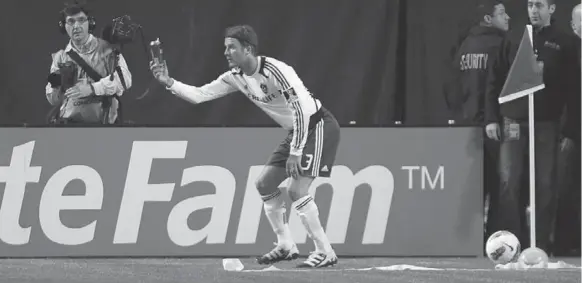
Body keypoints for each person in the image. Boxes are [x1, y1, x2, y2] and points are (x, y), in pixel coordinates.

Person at [150, 25, 340, 268]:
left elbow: (301, 111)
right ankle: (285, 244)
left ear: (248, 49)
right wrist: (168, 82)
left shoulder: (276, 70)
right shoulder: (235, 77)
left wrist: (295, 152)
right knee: (265, 184)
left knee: (296, 190)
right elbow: (199, 95)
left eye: (232, 47)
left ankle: (325, 251)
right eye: (225, 47)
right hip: (296, 131)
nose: (227, 52)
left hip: (318, 125)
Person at [484, 0, 580, 253]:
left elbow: (574, 90)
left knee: (546, 185)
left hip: (547, 123)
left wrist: (570, 129)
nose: (533, 10)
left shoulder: (566, 42)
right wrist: (491, 118)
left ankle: (540, 245)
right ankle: (511, 243)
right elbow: (494, 78)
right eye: (529, 5)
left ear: (551, 9)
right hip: (512, 120)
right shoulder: (515, 37)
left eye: (539, 5)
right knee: (508, 181)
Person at [444, 0, 510, 243]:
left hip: (465, 126)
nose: (508, 18)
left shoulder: (464, 47)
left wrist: (461, 114)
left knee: (472, 185)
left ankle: (467, 240)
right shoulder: (501, 45)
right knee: (500, 185)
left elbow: (450, 88)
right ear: (488, 20)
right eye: (502, 13)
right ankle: (495, 237)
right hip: (494, 125)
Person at [45, 1, 132, 124]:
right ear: (63, 26)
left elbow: (125, 81)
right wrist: (55, 86)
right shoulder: (60, 57)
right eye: (71, 21)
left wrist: (92, 89)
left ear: (90, 23)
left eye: (81, 20)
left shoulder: (108, 50)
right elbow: (54, 101)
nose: (76, 26)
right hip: (69, 126)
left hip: (104, 126)